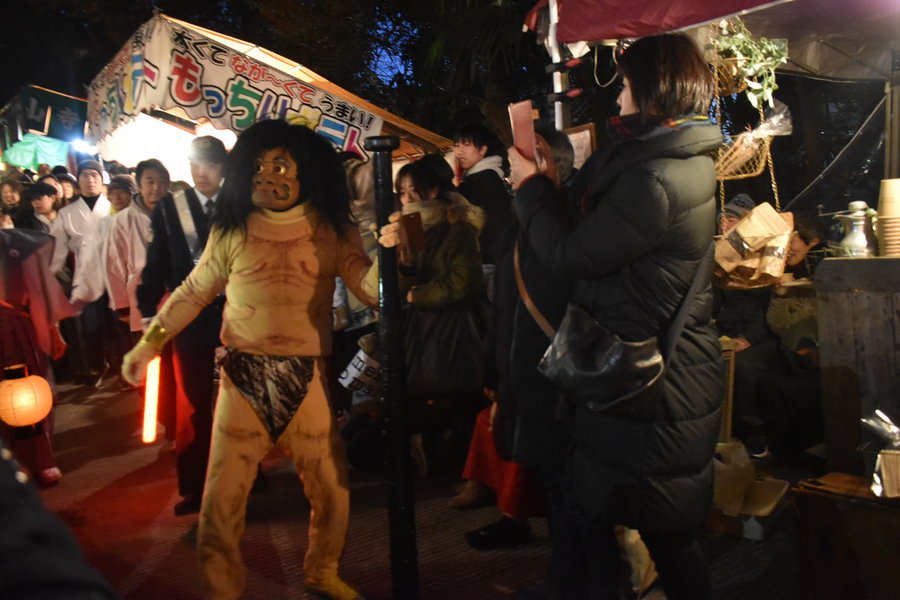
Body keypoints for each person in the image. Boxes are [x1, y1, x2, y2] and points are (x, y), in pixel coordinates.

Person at [123, 120, 379, 600]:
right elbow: (195, 289)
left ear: (308, 173)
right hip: (243, 374)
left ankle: (322, 571)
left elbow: (369, 287)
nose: (266, 176)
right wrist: (149, 342)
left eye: (280, 165)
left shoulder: (333, 229)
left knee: (331, 490)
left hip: (307, 375)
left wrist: (389, 261)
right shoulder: (231, 227)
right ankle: (220, 590)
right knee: (222, 498)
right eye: (258, 166)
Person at [508, 33, 723, 599]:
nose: (618, 100)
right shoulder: (661, 162)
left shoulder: (656, 179)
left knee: (668, 537)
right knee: (611, 514)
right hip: (637, 376)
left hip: (652, 388)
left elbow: (572, 255)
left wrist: (531, 192)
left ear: (654, 90)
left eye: (626, 86)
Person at [452, 127, 576, 558]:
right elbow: (504, 305)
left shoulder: (568, 221)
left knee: (568, 493)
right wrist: (492, 368)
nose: (509, 173)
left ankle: (574, 579)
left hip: (555, 378)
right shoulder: (521, 221)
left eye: (517, 162)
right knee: (549, 480)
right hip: (520, 371)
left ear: (546, 164)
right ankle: (555, 564)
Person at [137, 136, 227, 517]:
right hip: (188, 314)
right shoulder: (171, 207)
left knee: (239, 400)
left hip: (236, 313)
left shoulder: (242, 204)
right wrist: (146, 314)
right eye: (195, 164)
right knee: (190, 402)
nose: (200, 173)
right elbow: (155, 261)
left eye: (208, 165)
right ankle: (194, 486)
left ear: (223, 168)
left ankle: (248, 472)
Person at [393, 160, 489, 473]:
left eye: (414, 190)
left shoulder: (456, 225)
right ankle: (440, 455)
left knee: (461, 394)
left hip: (456, 327)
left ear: (433, 190)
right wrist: (405, 267)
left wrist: (420, 294)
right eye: (402, 192)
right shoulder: (409, 227)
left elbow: (465, 280)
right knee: (426, 391)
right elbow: (407, 279)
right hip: (424, 329)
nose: (408, 199)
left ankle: (471, 469)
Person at [713, 193, 778, 458]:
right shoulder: (719, 254)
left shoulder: (765, 255)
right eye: (722, 220)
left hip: (761, 334)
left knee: (743, 367)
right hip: (724, 329)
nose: (724, 226)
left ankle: (754, 435)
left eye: (731, 219)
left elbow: (767, 310)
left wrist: (747, 338)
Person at [758, 212, 825, 460]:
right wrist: (780, 295)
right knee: (767, 382)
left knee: (795, 388)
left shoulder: (825, 272)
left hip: (821, 351)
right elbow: (778, 325)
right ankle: (782, 455)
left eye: (792, 239)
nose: (786, 247)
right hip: (791, 351)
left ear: (813, 241)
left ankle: (808, 452)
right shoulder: (780, 269)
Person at [49, 159, 113, 387]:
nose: (90, 179)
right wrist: (53, 275)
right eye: (85, 175)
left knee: (118, 322)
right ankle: (97, 365)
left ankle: (120, 367)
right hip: (85, 274)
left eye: (95, 175)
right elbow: (58, 249)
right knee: (90, 324)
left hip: (114, 273)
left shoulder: (112, 206)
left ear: (101, 178)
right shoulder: (67, 213)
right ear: (79, 181)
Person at [107, 159, 169, 334]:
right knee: (151, 346)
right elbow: (114, 263)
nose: (156, 187)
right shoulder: (123, 220)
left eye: (162, 181)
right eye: (150, 181)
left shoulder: (177, 214)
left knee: (176, 349)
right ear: (140, 185)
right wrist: (122, 305)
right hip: (141, 295)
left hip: (174, 294)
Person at [452, 122, 512, 271]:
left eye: (466, 145)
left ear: (483, 150)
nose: (459, 151)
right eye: (457, 145)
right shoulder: (488, 177)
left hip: (486, 262)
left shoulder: (482, 181)